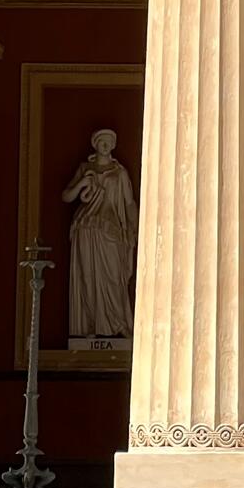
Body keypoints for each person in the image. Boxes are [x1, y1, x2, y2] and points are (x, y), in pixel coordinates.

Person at [62, 130, 138, 341]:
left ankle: (119, 323)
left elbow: (129, 203)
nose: (105, 145)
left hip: (110, 231)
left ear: (113, 146)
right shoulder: (85, 169)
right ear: (95, 144)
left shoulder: (120, 173)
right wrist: (81, 184)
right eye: (102, 141)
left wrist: (134, 229)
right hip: (86, 228)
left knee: (114, 277)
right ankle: (91, 325)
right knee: (87, 278)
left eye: (109, 142)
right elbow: (67, 196)